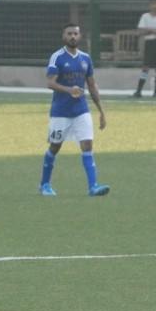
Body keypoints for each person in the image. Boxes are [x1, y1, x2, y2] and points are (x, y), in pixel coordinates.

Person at [39, 22, 110, 197]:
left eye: (75, 34)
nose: (72, 36)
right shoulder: (57, 57)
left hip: (81, 110)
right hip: (60, 112)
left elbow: (92, 85)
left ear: (80, 36)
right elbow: (50, 82)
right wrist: (70, 90)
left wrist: (101, 111)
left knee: (87, 145)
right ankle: (44, 185)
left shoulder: (85, 58)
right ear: (64, 36)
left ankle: (93, 186)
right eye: (69, 33)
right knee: (55, 147)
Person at [134, 0, 156, 98]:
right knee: (145, 67)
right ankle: (138, 91)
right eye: (153, 4)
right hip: (149, 43)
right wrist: (154, 31)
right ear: (149, 5)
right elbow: (140, 31)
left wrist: (149, 30)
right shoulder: (145, 16)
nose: (155, 6)